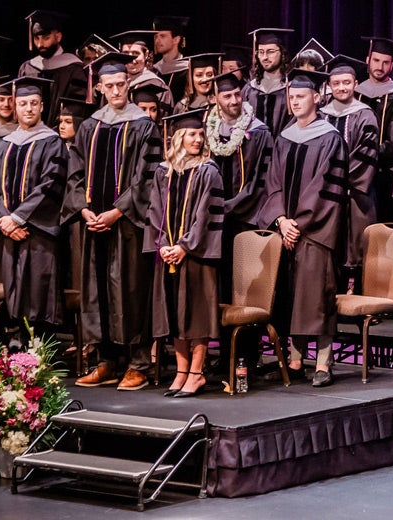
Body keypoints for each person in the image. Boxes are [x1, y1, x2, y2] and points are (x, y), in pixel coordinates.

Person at [65, 53, 163, 391]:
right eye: (110, 85)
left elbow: (146, 179)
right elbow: (74, 173)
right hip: (94, 223)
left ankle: (138, 363)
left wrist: (117, 211)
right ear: (101, 88)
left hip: (126, 225)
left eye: (122, 84)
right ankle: (105, 360)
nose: (117, 90)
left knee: (130, 291)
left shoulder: (144, 126)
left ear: (129, 85)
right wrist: (83, 209)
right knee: (97, 292)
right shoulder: (90, 126)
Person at [255, 69, 348, 388]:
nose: (294, 102)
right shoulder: (284, 136)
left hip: (317, 233)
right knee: (291, 296)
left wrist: (299, 224)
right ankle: (295, 360)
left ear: (316, 98)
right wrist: (280, 219)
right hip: (287, 231)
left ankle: (323, 362)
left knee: (316, 298)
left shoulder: (331, 138)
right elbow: (273, 183)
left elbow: (328, 187)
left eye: (301, 97)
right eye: (291, 97)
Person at [0, 76, 66, 354]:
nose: (28, 109)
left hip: (38, 231)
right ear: (14, 108)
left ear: (42, 106)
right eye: (22, 104)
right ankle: (16, 340)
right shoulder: (3, 145)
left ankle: (42, 346)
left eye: (33, 103)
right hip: (8, 231)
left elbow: (51, 185)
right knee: (13, 287)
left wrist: (18, 218)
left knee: (40, 288)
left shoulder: (53, 143)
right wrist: (3, 220)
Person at [145, 107, 225, 399]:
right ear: (178, 137)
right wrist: (163, 244)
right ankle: (181, 371)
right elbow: (155, 212)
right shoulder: (163, 173)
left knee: (196, 315)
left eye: (201, 135)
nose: (198, 139)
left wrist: (184, 246)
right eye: (191, 134)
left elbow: (206, 216)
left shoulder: (209, 172)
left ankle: (197, 372)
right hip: (168, 254)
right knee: (175, 314)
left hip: (196, 256)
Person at [205, 71, 271, 298]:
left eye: (237, 94)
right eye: (227, 96)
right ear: (216, 99)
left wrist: (231, 205)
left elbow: (263, 178)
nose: (234, 101)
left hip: (245, 216)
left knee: (245, 278)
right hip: (213, 218)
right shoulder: (208, 130)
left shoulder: (259, 132)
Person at [320, 55, 380, 293]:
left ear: (356, 84)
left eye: (346, 82)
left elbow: (366, 155)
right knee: (333, 246)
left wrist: (335, 180)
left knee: (358, 247)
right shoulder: (321, 115)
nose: (342, 87)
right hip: (327, 197)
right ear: (330, 85)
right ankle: (335, 300)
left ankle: (364, 304)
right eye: (336, 83)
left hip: (357, 195)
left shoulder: (365, 114)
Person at [357, 36, 393, 225]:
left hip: (384, 172)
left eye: (386, 62)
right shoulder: (356, 92)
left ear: (392, 65)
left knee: (383, 222)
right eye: (376, 60)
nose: (380, 66)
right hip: (355, 171)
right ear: (368, 60)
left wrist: (372, 153)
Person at [18, 9, 88, 127]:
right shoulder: (28, 67)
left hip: (60, 134)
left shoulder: (74, 68)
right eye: (36, 39)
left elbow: (76, 108)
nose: (40, 44)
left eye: (46, 38)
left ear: (58, 37)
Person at [245, 28, 296, 134]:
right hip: (253, 147)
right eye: (261, 52)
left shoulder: (291, 87)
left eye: (270, 52)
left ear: (282, 53)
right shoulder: (250, 89)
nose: (265, 57)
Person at [114, 29, 175, 108]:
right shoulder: (115, 84)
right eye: (125, 53)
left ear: (146, 55)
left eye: (136, 53)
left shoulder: (158, 86)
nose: (131, 59)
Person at [151, 15, 190, 99]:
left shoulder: (188, 70)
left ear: (176, 40)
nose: (157, 40)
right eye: (156, 36)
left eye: (162, 36)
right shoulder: (155, 70)